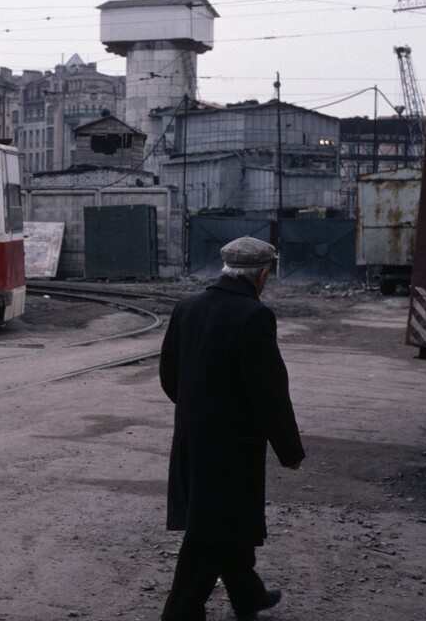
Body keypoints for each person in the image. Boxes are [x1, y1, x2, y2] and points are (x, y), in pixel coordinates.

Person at [159, 236, 306, 621]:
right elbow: (269, 392)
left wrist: (197, 413)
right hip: (232, 448)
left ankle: (248, 595)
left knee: (225, 524)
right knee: (211, 532)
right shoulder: (254, 316)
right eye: (268, 275)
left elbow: (169, 374)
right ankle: (179, 613)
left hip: (192, 438)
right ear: (260, 274)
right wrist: (289, 450)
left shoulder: (186, 307)